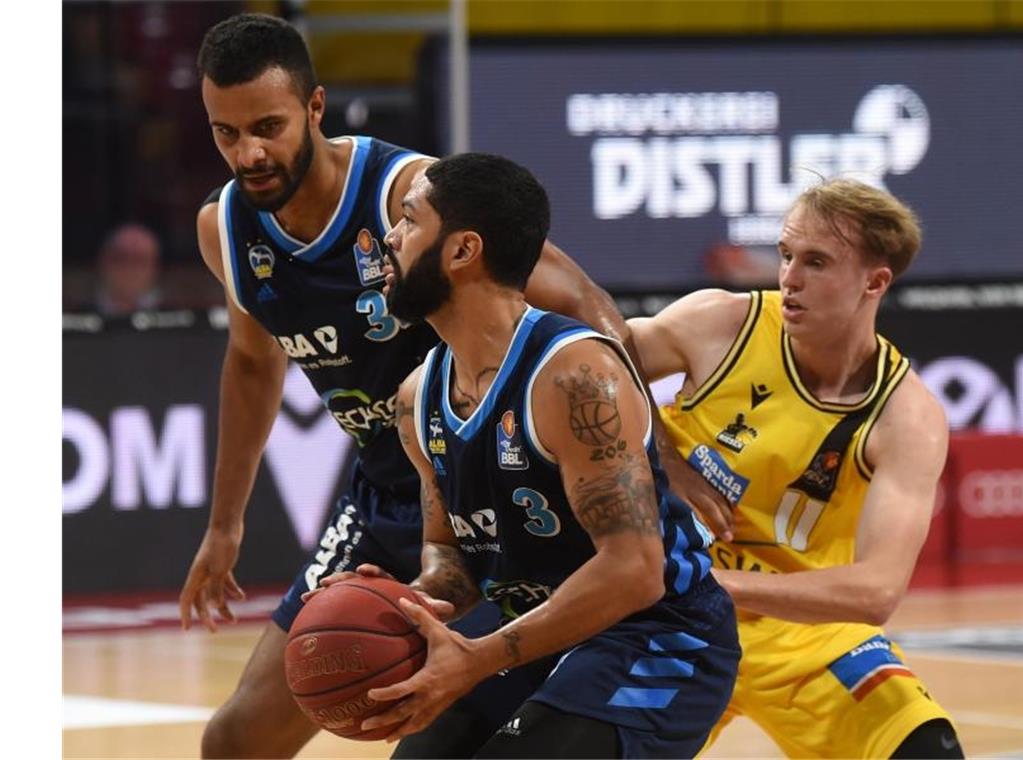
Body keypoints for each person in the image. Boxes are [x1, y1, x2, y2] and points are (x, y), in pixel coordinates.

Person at [177, 13, 731, 759]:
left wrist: (655, 451)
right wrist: (225, 524)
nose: (248, 153)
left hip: (525, 478)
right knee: (238, 739)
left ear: (315, 108)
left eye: (267, 126)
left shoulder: (412, 196)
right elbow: (251, 362)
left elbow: (586, 303)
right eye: (224, 133)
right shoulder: (230, 230)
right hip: (401, 480)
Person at [312, 151, 740, 758]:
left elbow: (635, 572)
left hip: (658, 635)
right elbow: (450, 552)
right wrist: (410, 601)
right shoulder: (416, 399)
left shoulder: (575, 374)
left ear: (462, 251)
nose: (389, 236)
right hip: (534, 628)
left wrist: (477, 658)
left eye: (409, 220)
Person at [628, 178, 964, 758]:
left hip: (804, 633)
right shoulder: (721, 324)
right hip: (669, 617)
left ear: (874, 282)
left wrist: (715, 584)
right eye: (785, 255)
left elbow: (875, 590)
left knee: (926, 748)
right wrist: (664, 458)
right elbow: (583, 368)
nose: (789, 277)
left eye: (815, 262)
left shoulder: (907, 416)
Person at [92, 223, 163, 316]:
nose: (130, 268)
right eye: (122, 258)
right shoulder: (75, 318)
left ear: (154, 267)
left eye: (140, 260)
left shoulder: (176, 318)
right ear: (104, 261)